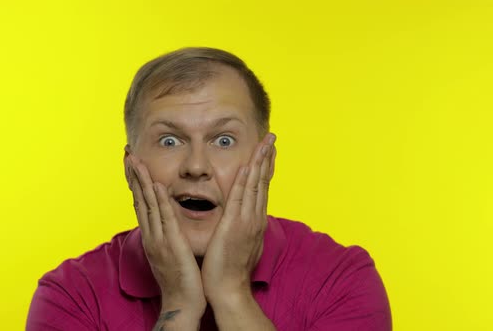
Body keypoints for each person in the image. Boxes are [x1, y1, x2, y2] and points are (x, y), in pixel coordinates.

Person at [26, 47, 391, 331]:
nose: (196, 167)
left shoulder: (341, 279)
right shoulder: (70, 296)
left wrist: (232, 296)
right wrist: (179, 309)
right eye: (169, 141)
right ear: (130, 167)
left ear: (267, 159)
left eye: (224, 140)